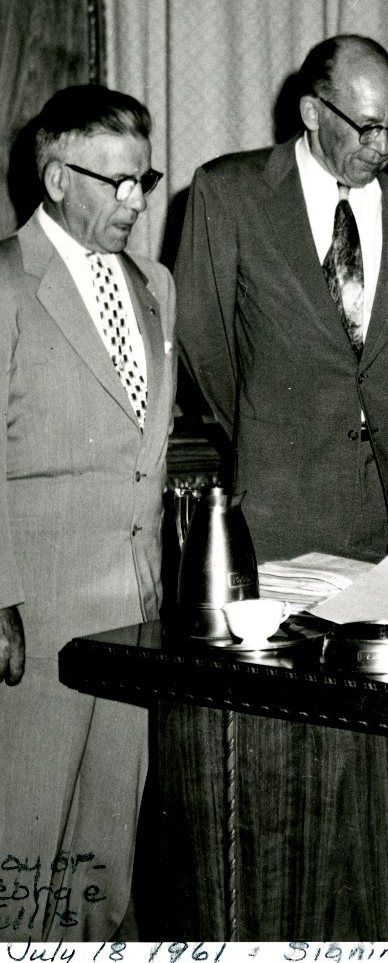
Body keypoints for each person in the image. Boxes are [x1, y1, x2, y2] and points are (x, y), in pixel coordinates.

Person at [0, 85, 175, 938]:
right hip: (33, 612)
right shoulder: (4, 281)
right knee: (22, 842)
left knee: (108, 848)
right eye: (115, 182)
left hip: (135, 617)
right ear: (56, 175)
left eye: (144, 179)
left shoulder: (157, 287)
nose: (136, 201)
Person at [174, 34, 388, 563]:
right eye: (367, 126)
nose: (383, 146)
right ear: (313, 113)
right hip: (285, 498)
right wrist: (271, 427)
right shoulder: (229, 191)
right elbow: (201, 339)